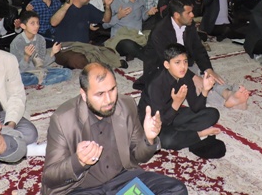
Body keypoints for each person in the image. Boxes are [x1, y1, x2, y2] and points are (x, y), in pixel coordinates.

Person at [41, 62, 187, 195]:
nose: (109, 100)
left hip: (122, 179)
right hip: (82, 188)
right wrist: (78, 161)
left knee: (176, 190)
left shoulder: (126, 105)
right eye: (100, 94)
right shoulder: (63, 119)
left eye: (112, 89)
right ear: (84, 95)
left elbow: (138, 156)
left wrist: (148, 139)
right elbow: (50, 176)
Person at [139, 0, 249, 108]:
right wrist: (193, 77)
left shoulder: (189, 24)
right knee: (193, 83)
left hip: (183, 62)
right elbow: (167, 61)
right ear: (177, 15)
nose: (192, 15)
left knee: (206, 75)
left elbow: (198, 49)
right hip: (162, 68)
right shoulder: (160, 31)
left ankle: (228, 94)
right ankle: (223, 103)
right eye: (188, 13)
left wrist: (208, 69)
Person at [138, 44, 225, 159]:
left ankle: (182, 135)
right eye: (177, 62)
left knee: (212, 114)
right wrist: (176, 103)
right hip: (154, 122)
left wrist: (205, 90)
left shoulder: (185, 75)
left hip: (174, 115)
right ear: (167, 64)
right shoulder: (156, 84)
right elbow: (162, 121)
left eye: (185, 61)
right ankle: (199, 134)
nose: (183, 67)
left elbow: (196, 107)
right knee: (167, 141)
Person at [10, 10, 72, 86]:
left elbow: (42, 63)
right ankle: (42, 80)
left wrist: (52, 52)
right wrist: (26, 56)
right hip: (25, 73)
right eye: (32, 23)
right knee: (20, 78)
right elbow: (19, 69)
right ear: (23, 26)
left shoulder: (41, 39)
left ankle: (41, 80)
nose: (37, 26)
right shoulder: (16, 43)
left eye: (38, 23)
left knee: (67, 72)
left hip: (39, 70)